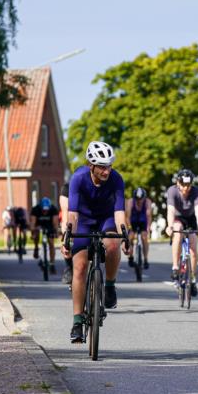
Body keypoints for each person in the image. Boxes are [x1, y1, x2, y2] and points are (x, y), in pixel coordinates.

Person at [62, 141, 130, 343]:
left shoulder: (116, 179)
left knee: (112, 244)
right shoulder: (78, 178)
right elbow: (72, 214)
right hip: (83, 221)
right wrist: (67, 238)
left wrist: (124, 236)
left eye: (109, 166)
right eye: (101, 167)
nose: (106, 171)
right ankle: (77, 321)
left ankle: (109, 285)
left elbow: (119, 213)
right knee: (80, 267)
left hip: (106, 219)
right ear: (91, 165)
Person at [166, 169, 198, 296]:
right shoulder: (172, 191)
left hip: (191, 218)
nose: (185, 188)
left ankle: (193, 279)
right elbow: (170, 210)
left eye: (188, 185)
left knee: (193, 247)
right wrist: (170, 226)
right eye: (183, 185)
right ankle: (175, 267)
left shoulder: (196, 191)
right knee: (178, 231)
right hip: (177, 218)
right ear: (178, 183)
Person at [30, 196, 60, 272]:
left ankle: (52, 263)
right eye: (43, 210)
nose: (45, 212)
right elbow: (32, 223)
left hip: (49, 225)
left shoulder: (53, 209)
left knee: (51, 243)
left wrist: (56, 232)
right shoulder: (35, 209)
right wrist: (33, 232)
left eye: (46, 210)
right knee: (35, 234)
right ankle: (36, 247)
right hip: (38, 225)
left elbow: (55, 223)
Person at [126, 187, 152, 270]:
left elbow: (149, 216)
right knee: (130, 237)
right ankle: (130, 257)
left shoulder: (147, 202)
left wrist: (148, 228)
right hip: (132, 221)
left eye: (141, 199)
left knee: (144, 238)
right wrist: (130, 228)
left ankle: (146, 259)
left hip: (143, 220)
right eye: (137, 199)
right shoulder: (130, 202)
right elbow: (127, 217)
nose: (139, 201)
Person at [59, 183, 72, 284]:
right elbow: (65, 214)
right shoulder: (67, 188)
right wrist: (66, 236)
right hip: (72, 216)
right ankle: (68, 267)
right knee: (69, 243)